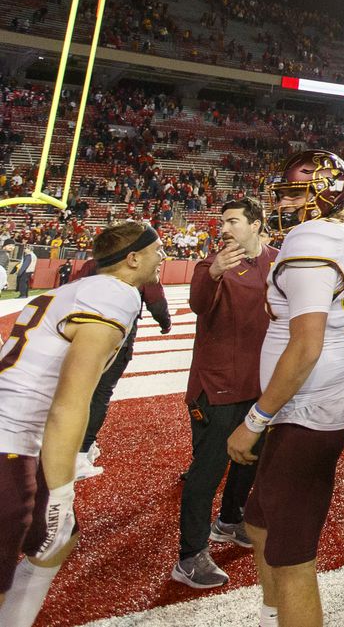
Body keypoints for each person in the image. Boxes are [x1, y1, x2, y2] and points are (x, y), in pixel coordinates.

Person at [226, 150, 344, 627]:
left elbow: (306, 344)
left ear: (324, 192)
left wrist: (255, 420)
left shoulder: (312, 237)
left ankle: (286, 612)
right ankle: (275, 615)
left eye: (297, 191)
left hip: (306, 406)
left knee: (291, 556)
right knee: (257, 520)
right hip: (313, 400)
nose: (286, 201)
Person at [0, 222, 163, 627]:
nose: (163, 257)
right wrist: (61, 491)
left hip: (15, 431)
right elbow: (70, 402)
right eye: (157, 250)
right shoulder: (115, 294)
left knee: (58, 539)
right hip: (10, 439)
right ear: (133, 258)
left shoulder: (76, 290)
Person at [171, 198, 277, 589]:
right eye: (222, 222)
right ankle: (189, 556)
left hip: (259, 387)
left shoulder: (278, 261)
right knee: (207, 472)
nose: (225, 228)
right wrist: (213, 272)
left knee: (249, 459)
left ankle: (230, 521)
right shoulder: (209, 266)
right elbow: (198, 304)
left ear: (256, 225)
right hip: (216, 388)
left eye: (233, 221)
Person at [76, 260, 171, 479]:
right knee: (100, 394)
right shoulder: (141, 265)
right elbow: (156, 301)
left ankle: (72, 444)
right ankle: (81, 452)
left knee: (78, 391)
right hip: (117, 339)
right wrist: (165, 323)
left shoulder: (94, 264)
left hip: (83, 334)